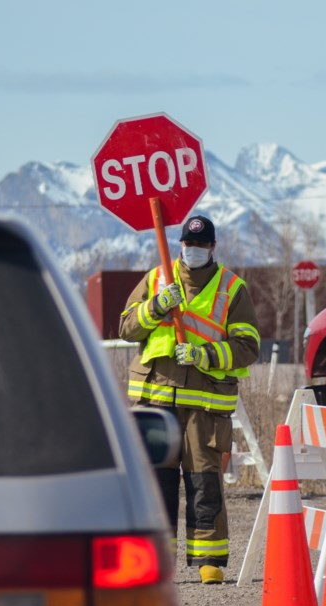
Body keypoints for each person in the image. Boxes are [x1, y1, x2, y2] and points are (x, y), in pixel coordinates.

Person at [119, 215, 260, 584]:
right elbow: (125, 327)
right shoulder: (155, 279)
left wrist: (206, 355)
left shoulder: (233, 288)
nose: (192, 251)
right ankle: (155, 560)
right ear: (179, 244)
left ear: (212, 247)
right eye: (187, 244)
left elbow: (248, 347)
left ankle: (208, 561)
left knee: (204, 481)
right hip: (155, 398)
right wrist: (157, 306)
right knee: (155, 482)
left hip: (205, 404)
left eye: (200, 245)